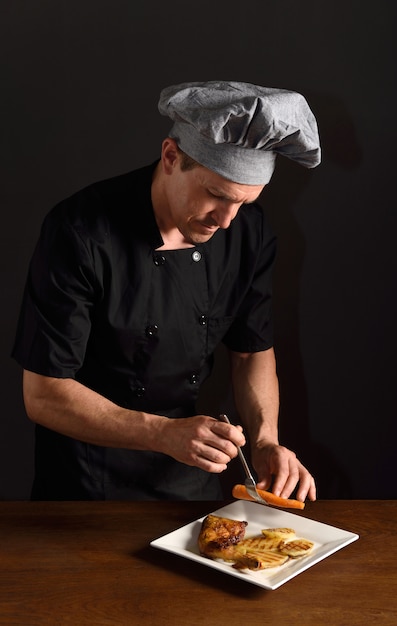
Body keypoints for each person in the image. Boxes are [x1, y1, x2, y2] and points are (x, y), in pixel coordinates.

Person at [12, 80, 321, 502]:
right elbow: (43, 394)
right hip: (84, 482)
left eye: (243, 204)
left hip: (185, 473)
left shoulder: (250, 233)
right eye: (216, 195)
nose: (226, 221)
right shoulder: (80, 231)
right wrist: (162, 432)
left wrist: (266, 441)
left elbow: (251, 351)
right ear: (171, 157)